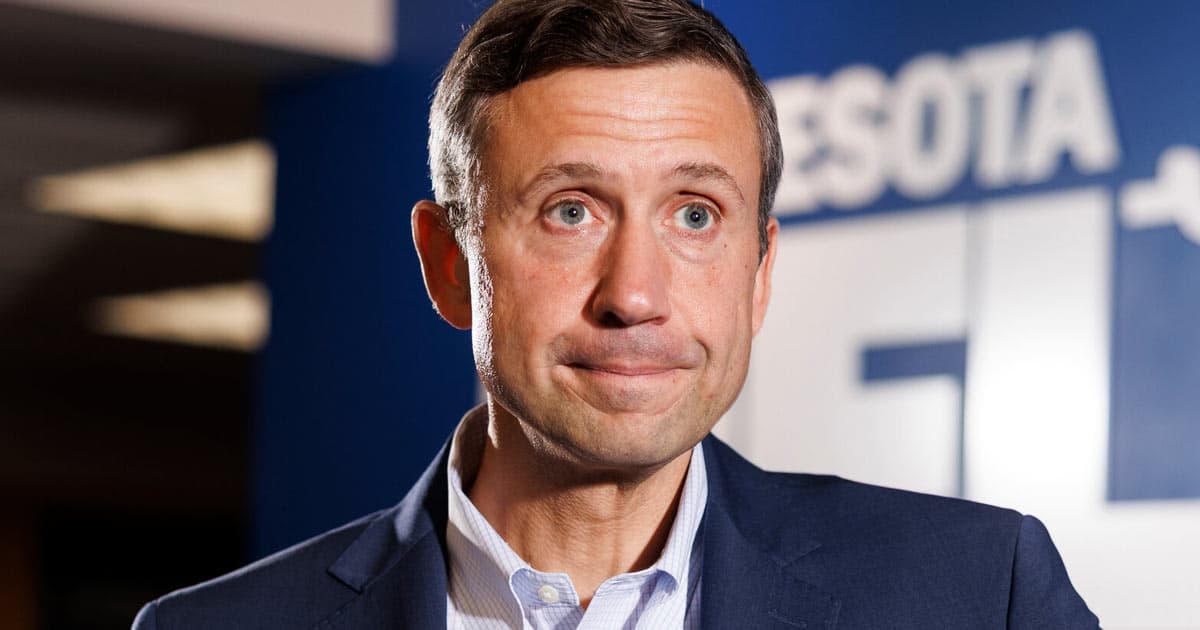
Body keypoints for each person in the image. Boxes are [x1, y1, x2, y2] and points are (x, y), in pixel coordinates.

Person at [133, 0, 1100, 627]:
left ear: (760, 272)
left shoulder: (979, 595)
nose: (634, 295)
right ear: (447, 263)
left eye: (695, 214)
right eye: (571, 210)